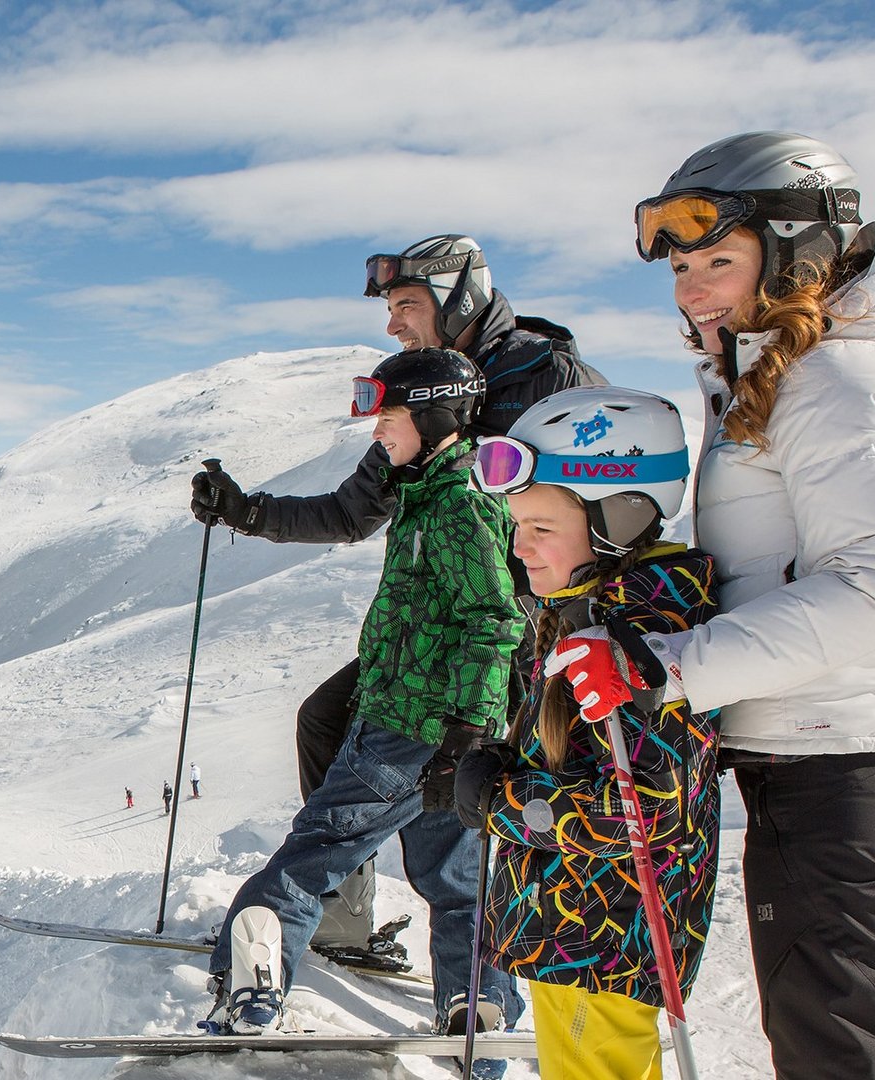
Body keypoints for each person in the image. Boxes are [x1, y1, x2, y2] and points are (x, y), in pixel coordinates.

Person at [552, 131, 875, 1080]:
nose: (691, 286)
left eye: (719, 259)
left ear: (799, 253)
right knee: (824, 1026)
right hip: (809, 741)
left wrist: (667, 666)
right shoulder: (774, 374)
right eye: (680, 265)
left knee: (838, 1042)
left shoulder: (839, 380)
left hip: (843, 752)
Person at [194, 234, 602, 955]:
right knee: (328, 722)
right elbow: (355, 508)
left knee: (477, 786)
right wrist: (245, 511)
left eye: (407, 304)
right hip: (439, 632)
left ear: (459, 299)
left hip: (515, 633)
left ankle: (501, 962)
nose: (392, 323)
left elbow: (601, 495)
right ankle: (348, 919)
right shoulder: (422, 392)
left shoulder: (546, 375)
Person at [193, 347, 523, 1041]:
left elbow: (495, 621)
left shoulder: (457, 504)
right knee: (455, 877)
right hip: (444, 728)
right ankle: (477, 1006)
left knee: (314, 851)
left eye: (390, 419)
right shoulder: (430, 488)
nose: (377, 434)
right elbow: (344, 513)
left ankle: (251, 982)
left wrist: (464, 730)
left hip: (405, 726)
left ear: (435, 418)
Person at [452, 386, 718, 1078]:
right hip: (578, 934)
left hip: (599, 944)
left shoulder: (641, 640)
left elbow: (643, 816)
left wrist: (503, 803)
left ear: (619, 517)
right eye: (517, 524)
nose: (520, 546)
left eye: (541, 527)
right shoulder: (590, 611)